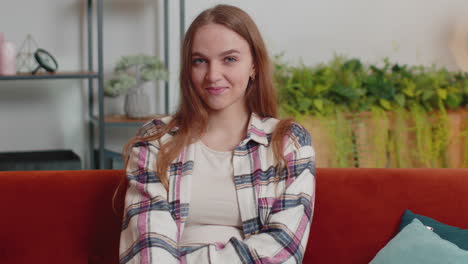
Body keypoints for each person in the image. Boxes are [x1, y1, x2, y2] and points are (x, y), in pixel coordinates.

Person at [119, 4, 316, 264]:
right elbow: (148, 248)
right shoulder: (155, 142)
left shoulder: (289, 142)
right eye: (200, 61)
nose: (213, 75)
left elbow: (283, 251)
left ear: (254, 65)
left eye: (229, 59)